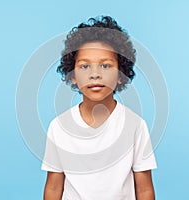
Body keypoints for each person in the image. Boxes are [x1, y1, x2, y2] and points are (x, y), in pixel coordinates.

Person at [41, 16, 157, 200]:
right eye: (85, 66)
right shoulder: (59, 126)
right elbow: (54, 187)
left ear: (121, 74)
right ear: (72, 75)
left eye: (105, 65)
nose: (95, 74)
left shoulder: (135, 126)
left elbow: (144, 189)